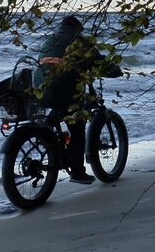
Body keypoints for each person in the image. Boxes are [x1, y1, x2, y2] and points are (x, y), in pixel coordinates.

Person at [35, 15, 122, 184]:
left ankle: (49, 136)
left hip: (41, 90)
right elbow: (99, 64)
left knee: (58, 111)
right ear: (77, 29)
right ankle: (77, 172)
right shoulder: (80, 42)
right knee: (77, 124)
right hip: (65, 90)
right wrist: (116, 71)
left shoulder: (49, 41)